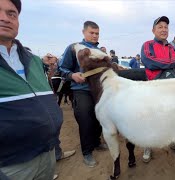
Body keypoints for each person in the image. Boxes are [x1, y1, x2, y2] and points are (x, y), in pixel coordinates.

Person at [0, 0, 63, 179]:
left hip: (47, 155)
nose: (5, 18)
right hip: (11, 167)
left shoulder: (33, 61)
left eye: (12, 14)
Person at [59, 20, 108, 168]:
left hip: (99, 91)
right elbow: (62, 68)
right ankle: (87, 151)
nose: (94, 36)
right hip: (81, 90)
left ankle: (97, 142)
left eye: (97, 33)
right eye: (91, 33)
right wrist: (72, 75)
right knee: (85, 120)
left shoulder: (100, 52)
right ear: (83, 32)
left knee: (99, 118)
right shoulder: (74, 48)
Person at [140, 16, 175, 163]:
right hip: (155, 87)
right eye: (160, 26)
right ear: (153, 30)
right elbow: (150, 62)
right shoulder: (148, 45)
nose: (163, 29)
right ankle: (148, 145)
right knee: (151, 117)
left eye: (166, 27)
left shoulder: (172, 48)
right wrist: (174, 61)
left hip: (173, 88)